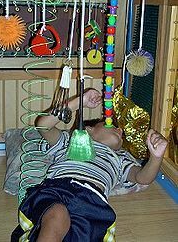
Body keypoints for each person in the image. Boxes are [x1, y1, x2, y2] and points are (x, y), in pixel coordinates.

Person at [11, 88, 168, 242]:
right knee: (57, 214)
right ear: (88, 130)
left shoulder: (120, 159)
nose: (120, 129)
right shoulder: (70, 141)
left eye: (120, 131)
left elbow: (142, 178)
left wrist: (156, 157)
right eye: (111, 125)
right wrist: (79, 102)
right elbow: (43, 125)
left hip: (92, 201)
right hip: (58, 189)